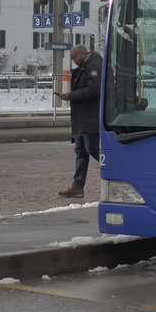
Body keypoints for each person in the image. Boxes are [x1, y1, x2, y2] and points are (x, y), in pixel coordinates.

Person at [56, 44, 102, 198]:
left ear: (83, 53)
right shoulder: (86, 65)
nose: (74, 61)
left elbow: (94, 89)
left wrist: (71, 96)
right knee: (81, 151)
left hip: (91, 116)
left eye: (75, 58)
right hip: (82, 118)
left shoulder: (95, 65)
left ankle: (119, 172)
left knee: (93, 149)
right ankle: (77, 186)